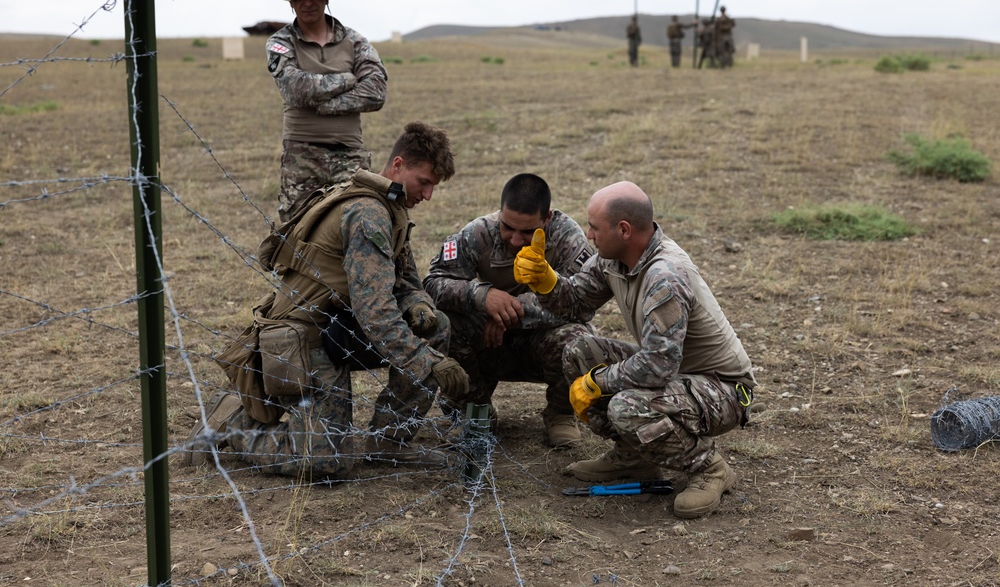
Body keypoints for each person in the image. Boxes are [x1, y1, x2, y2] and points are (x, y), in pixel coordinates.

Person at [183, 122, 468, 479]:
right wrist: (426, 361)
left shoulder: (388, 206)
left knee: (435, 325)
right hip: (303, 340)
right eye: (424, 182)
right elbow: (375, 311)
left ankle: (389, 442)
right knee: (324, 464)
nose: (428, 195)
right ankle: (233, 421)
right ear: (398, 165)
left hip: (338, 331)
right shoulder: (368, 213)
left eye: (433, 186)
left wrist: (417, 304)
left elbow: (404, 278)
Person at [512, 181, 757, 518]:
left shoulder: (665, 276)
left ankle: (708, 468)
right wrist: (546, 281)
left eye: (595, 228)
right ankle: (634, 456)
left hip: (723, 387)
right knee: (578, 352)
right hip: (677, 373)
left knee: (628, 408)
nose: (589, 235)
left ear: (623, 230)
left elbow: (658, 366)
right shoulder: (612, 260)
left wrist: (598, 381)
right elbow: (576, 303)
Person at [423, 174, 595, 447]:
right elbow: (433, 284)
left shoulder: (567, 238)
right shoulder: (477, 233)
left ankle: (560, 413)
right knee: (445, 322)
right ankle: (474, 411)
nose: (515, 240)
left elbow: (581, 304)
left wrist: (508, 314)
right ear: (500, 213)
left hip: (541, 344)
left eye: (527, 232)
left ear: (547, 218)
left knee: (577, 339)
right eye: (507, 227)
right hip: (490, 344)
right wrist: (481, 296)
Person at [267, 0, 388, 222]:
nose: (307, 2)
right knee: (298, 231)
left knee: (360, 224)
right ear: (290, 2)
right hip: (302, 154)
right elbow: (295, 89)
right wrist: (347, 78)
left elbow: (376, 92)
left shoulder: (354, 41)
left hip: (350, 153)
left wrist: (327, 105)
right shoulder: (281, 42)